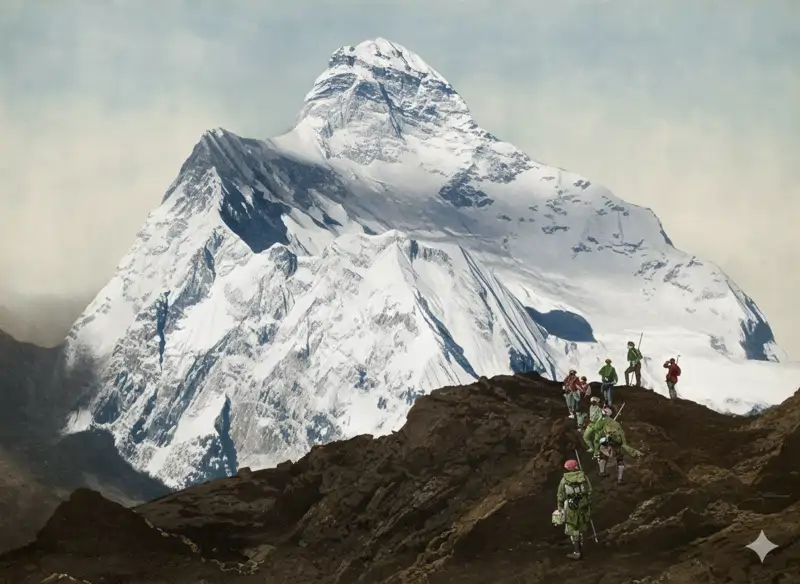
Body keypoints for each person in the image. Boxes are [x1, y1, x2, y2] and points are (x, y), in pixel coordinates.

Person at [587, 405, 642, 484]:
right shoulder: (616, 424)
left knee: (603, 456)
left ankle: (602, 472)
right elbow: (622, 434)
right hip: (617, 445)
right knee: (619, 460)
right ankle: (620, 479)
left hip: (607, 444)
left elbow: (597, 433)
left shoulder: (602, 422)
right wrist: (624, 444)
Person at [556, 459, 593, 560]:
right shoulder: (584, 477)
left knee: (573, 527)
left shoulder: (564, 480)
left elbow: (560, 494)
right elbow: (589, 491)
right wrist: (588, 503)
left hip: (571, 507)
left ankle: (577, 551)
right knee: (582, 526)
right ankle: (582, 548)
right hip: (583, 505)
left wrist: (559, 506)